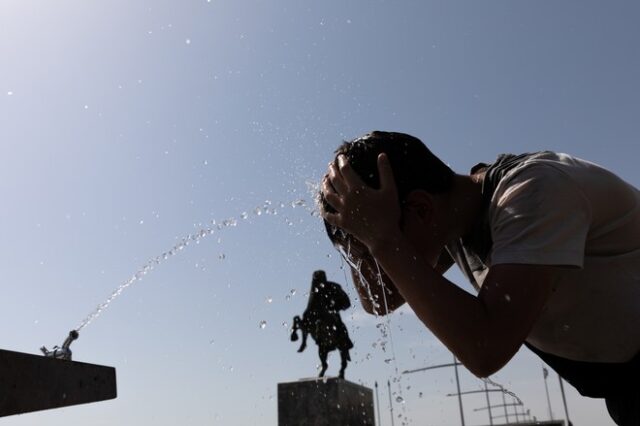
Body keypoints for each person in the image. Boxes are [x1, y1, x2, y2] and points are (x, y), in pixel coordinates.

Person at [319, 131, 640, 425]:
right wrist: (358, 230)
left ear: (420, 209)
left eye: (377, 249)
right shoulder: (452, 222)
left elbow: (485, 348)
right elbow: (382, 299)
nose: (381, 260)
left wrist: (383, 240)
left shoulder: (533, 192)